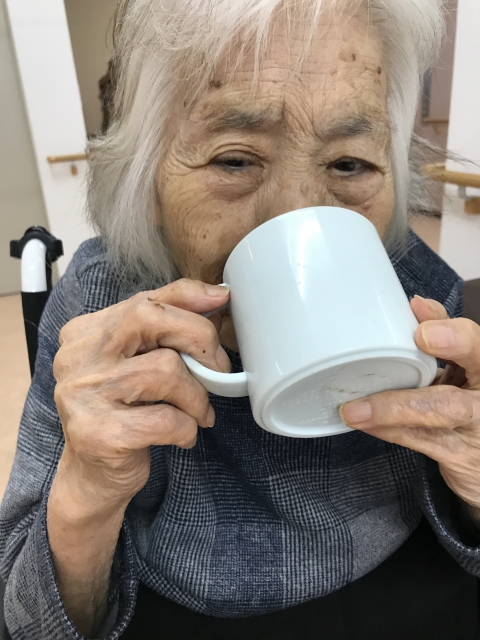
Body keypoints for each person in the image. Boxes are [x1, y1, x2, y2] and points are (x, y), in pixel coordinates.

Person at [1, 0, 479, 638]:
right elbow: (22, 619)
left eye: (349, 164)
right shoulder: (99, 304)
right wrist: (85, 497)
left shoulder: (418, 289)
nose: (296, 213)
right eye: (234, 159)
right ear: (146, 181)